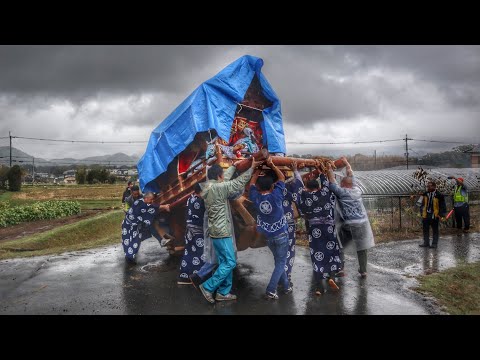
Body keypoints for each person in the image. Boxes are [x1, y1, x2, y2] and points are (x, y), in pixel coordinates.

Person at [197, 159, 260, 303]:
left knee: (224, 262)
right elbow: (237, 183)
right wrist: (252, 169)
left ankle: (223, 292)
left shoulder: (208, 186)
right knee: (230, 262)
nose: (223, 177)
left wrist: (232, 167)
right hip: (222, 232)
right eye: (222, 175)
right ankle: (208, 287)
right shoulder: (220, 188)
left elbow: (224, 179)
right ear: (219, 176)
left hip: (215, 231)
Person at [249, 157, 292, 300]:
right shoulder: (276, 195)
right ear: (272, 186)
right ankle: (271, 290)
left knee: (279, 261)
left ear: (259, 188)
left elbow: (252, 185)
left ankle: (286, 287)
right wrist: (272, 165)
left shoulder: (255, 197)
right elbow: (281, 177)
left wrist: (257, 171)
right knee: (281, 262)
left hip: (269, 237)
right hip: (281, 235)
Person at [299, 163, 342, 295]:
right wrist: (322, 172)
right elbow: (326, 183)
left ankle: (319, 287)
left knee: (317, 255)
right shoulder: (325, 192)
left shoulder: (305, 196)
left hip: (315, 229)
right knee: (331, 252)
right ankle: (331, 277)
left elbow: (301, 208)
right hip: (329, 228)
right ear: (318, 187)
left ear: (307, 188)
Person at [327, 157, 375, 278]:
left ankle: (340, 268)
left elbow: (332, 180)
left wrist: (328, 168)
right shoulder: (358, 190)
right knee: (362, 247)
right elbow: (350, 174)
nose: (340, 185)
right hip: (362, 224)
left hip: (348, 225)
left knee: (340, 245)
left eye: (341, 183)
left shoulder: (342, 192)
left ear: (343, 184)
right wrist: (347, 164)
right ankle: (363, 271)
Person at [121, 192, 170, 264]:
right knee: (127, 241)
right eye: (151, 200)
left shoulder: (141, 201)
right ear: (146, 198)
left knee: (136, 241)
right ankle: (129, 257)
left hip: (136, 226)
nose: (152, 201)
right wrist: (165, 206)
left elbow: (151, 206)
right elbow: (152, 207)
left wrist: (163, 206)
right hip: (128, 225)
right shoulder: (141, 204)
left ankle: (131, 256)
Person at [177, 184, 207, 284]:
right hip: (197, 232)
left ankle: (184, 277)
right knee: (200, 254)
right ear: (201, 191)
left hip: (189, 230)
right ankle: (198, 277)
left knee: (188, 253)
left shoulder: (190, 198)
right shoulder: (201, 201)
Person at [281, 161, 304, 288]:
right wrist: (296, 171)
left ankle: (280, 275)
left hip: (276, 225)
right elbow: (298, 188)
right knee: (289, 250)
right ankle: (286, 275)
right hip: (288, 223)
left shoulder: (273, 190)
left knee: (279, 252)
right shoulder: (288, 190)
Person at [416, 181, 447, 248]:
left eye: (429, 186)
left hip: (434, 215)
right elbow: (421, 203)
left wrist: (441, 215)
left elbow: (443, 206)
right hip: (426, 214)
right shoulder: (425, 194)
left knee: (435, 230)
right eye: (428, 186)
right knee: (425, 229)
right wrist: (421, 211)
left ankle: (434, 243)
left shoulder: (439, 195)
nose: (428, 187)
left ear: (434, 187)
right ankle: (426, 242)